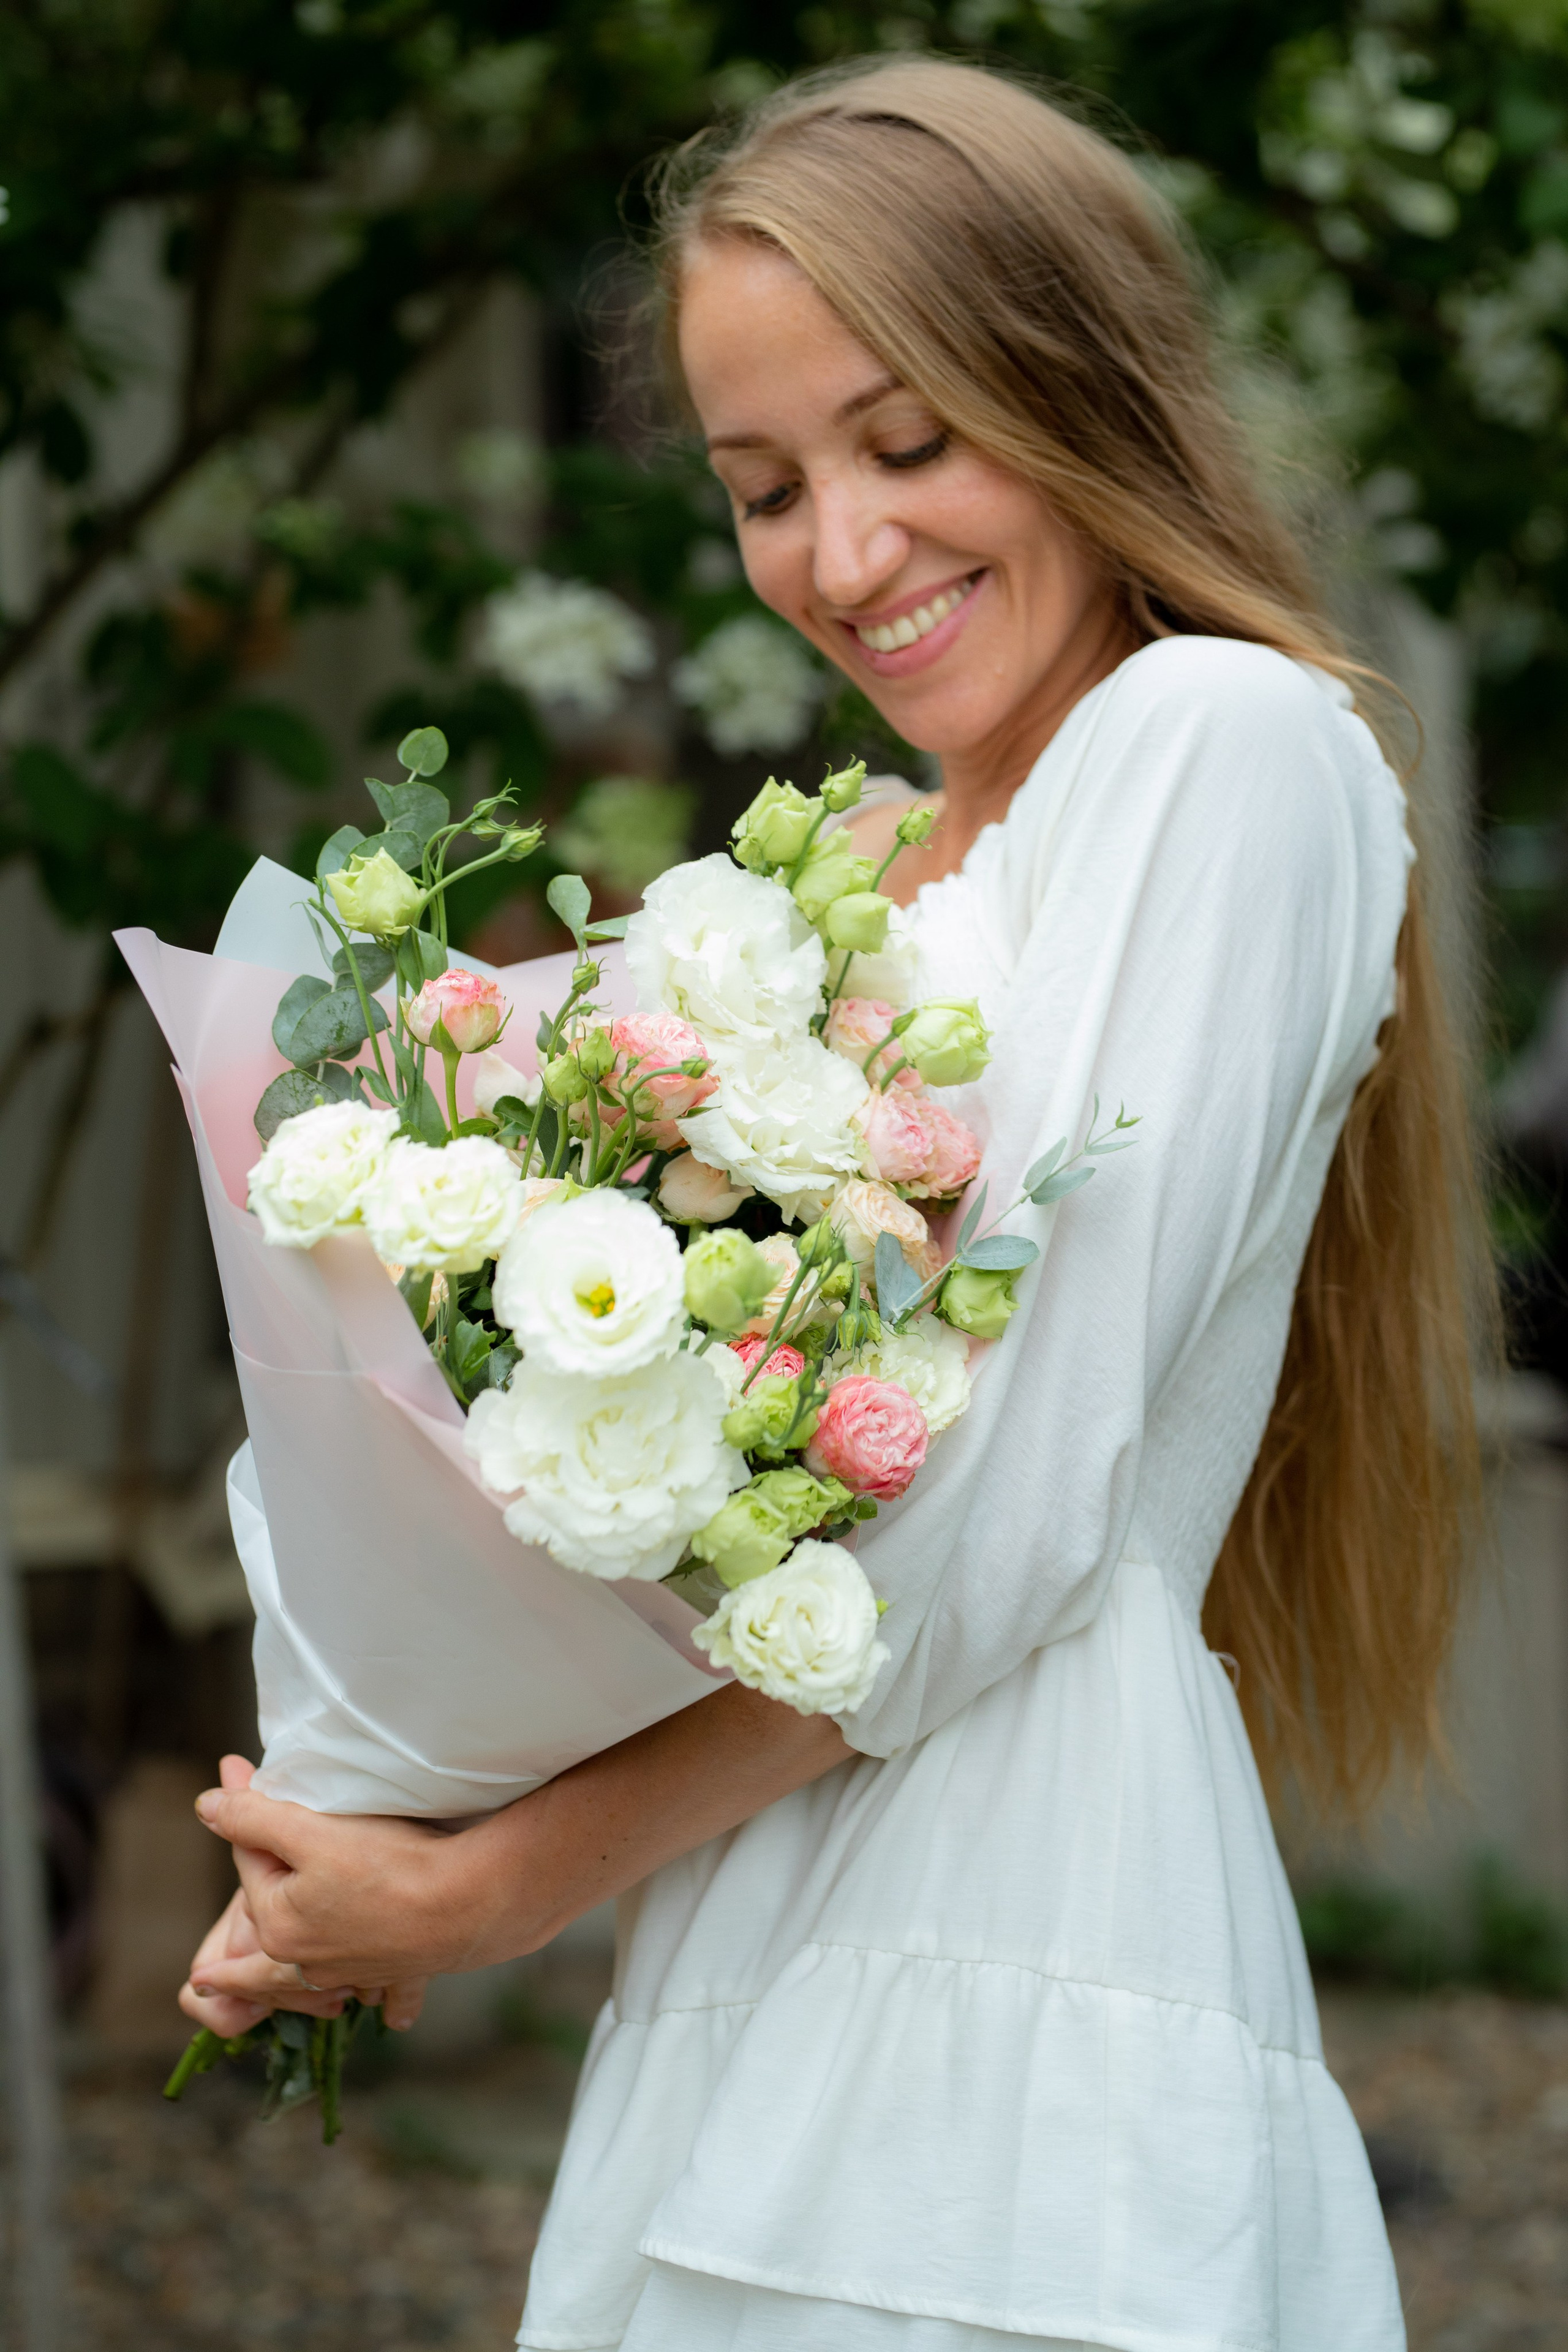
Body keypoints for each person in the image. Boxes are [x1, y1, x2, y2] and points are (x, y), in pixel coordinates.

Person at [181, 58, 1489, 2352]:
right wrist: (356, 1824)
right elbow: (683, 1501)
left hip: (1014, 1930)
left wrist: (484, 1890)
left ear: (1080, 387)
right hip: (769, 1913)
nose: (844, 555)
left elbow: (1005, 1508)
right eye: (767, 486)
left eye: (909, 445)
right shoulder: (868, 866)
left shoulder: (1222, 749)